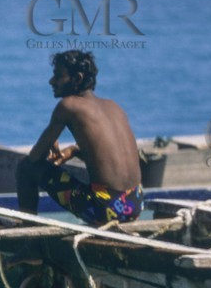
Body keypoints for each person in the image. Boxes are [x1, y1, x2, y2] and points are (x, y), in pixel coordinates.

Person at [16, 50, 144, 225]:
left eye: (58, 76)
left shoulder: (68, 106)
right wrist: (75, 150)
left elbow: (35, 158)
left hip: (105, 208)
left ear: (77, 78)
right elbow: (106, 154)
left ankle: (28, 237)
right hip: (135, 204)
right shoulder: (114, 106)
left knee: (25, 167)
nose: (51, 81)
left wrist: (48, 142)